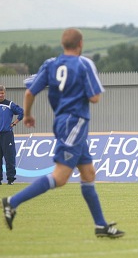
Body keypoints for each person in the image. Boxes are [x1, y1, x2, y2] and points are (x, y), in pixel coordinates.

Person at [1, 28, 124, 238]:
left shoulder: (51, 64)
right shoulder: (84, 64)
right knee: (60, 177)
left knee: (88, 174)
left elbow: (30, 91)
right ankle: (12, 202)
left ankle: (101, 226)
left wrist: (28, 115)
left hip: (62, 122)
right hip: (74, 123)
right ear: (80, 44)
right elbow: (95, 97)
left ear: (62, 44)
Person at [0, 85, 23, 185]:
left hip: (7, 134)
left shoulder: (9, 104)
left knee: (9, 157)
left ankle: (10, 179)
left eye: (2, 93)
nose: (0, 95)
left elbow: (22, 113)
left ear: (5, 93)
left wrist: (14, 123)